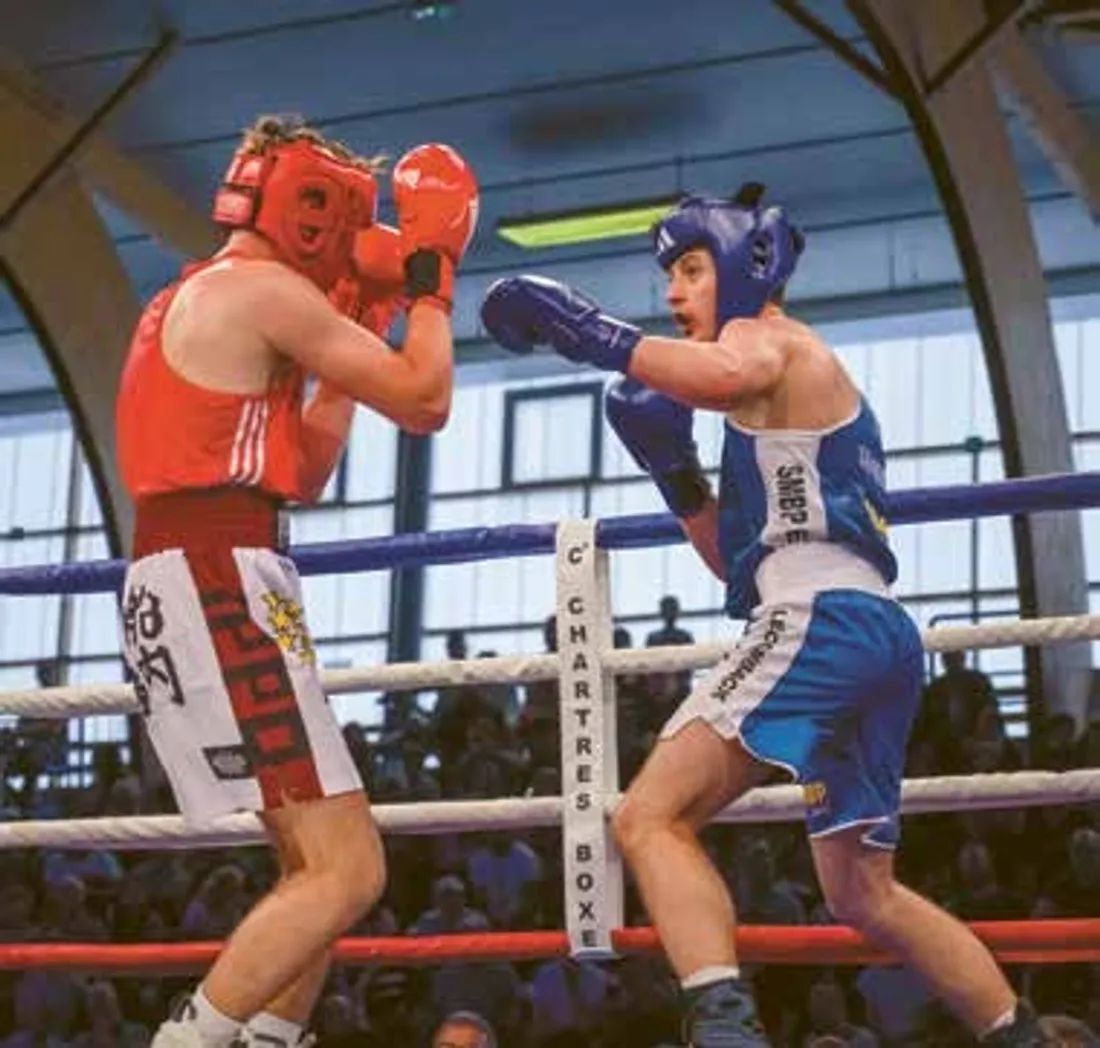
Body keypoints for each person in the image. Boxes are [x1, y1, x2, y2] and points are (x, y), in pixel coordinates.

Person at [479, 183, 1049, 1046]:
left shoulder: (766, 339)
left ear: (743, 268)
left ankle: (727, 1033)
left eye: (692, 269)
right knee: (863, 893)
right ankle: (1021, 1036)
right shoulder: (768, 393)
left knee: (648, 817)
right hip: (866, 626)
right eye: (669, 275)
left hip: (821, 618)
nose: (674, 293)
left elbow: (726, 374)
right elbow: (740, 568)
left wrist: (591, 333)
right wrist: (677, 476)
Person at [115, 114, 478, 1048]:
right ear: (315, 210)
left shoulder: (205, 290)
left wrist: (362, 329)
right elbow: (427, 399)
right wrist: (432, 277)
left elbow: (304, 471)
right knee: (348, 871)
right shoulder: (263, 290)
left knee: (313, 873)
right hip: (217, 578)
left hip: (208, 573)